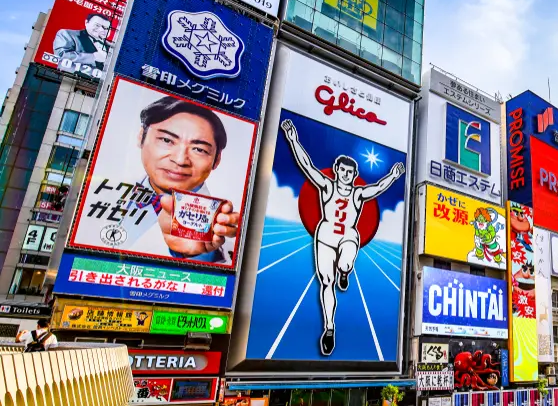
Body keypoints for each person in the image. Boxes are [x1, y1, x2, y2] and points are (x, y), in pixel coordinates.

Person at [281, 119, 405, 355]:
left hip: (348, 235)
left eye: (350, 172)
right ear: (337, 170)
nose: (346, 174)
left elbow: (377, 188)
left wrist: (394, 175)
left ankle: (345, 271)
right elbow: (307, 166)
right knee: (326, 282)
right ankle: (329, 327)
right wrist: (292, 138)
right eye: (343, 170)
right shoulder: (327, 187)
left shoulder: (358, 194)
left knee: (346, 262)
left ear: (354, 174)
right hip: (326, 235)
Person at [80, 96, 241, 263]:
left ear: (217, 159)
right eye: (167, 140)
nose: (180, 160)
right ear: (141, 136)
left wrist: (193, 256)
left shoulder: (227, 225)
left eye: (198, 149)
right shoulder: (97, 192)